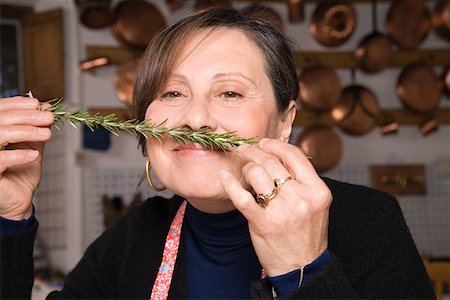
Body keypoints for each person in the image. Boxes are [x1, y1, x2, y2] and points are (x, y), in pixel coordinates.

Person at [0, 8, 434, 299]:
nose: (195, 118)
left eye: (229, 92)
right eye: (172, 92)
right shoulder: (135, 236)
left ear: (284, 122)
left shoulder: (369, 222)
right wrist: (10, 220)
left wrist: (302, 267)